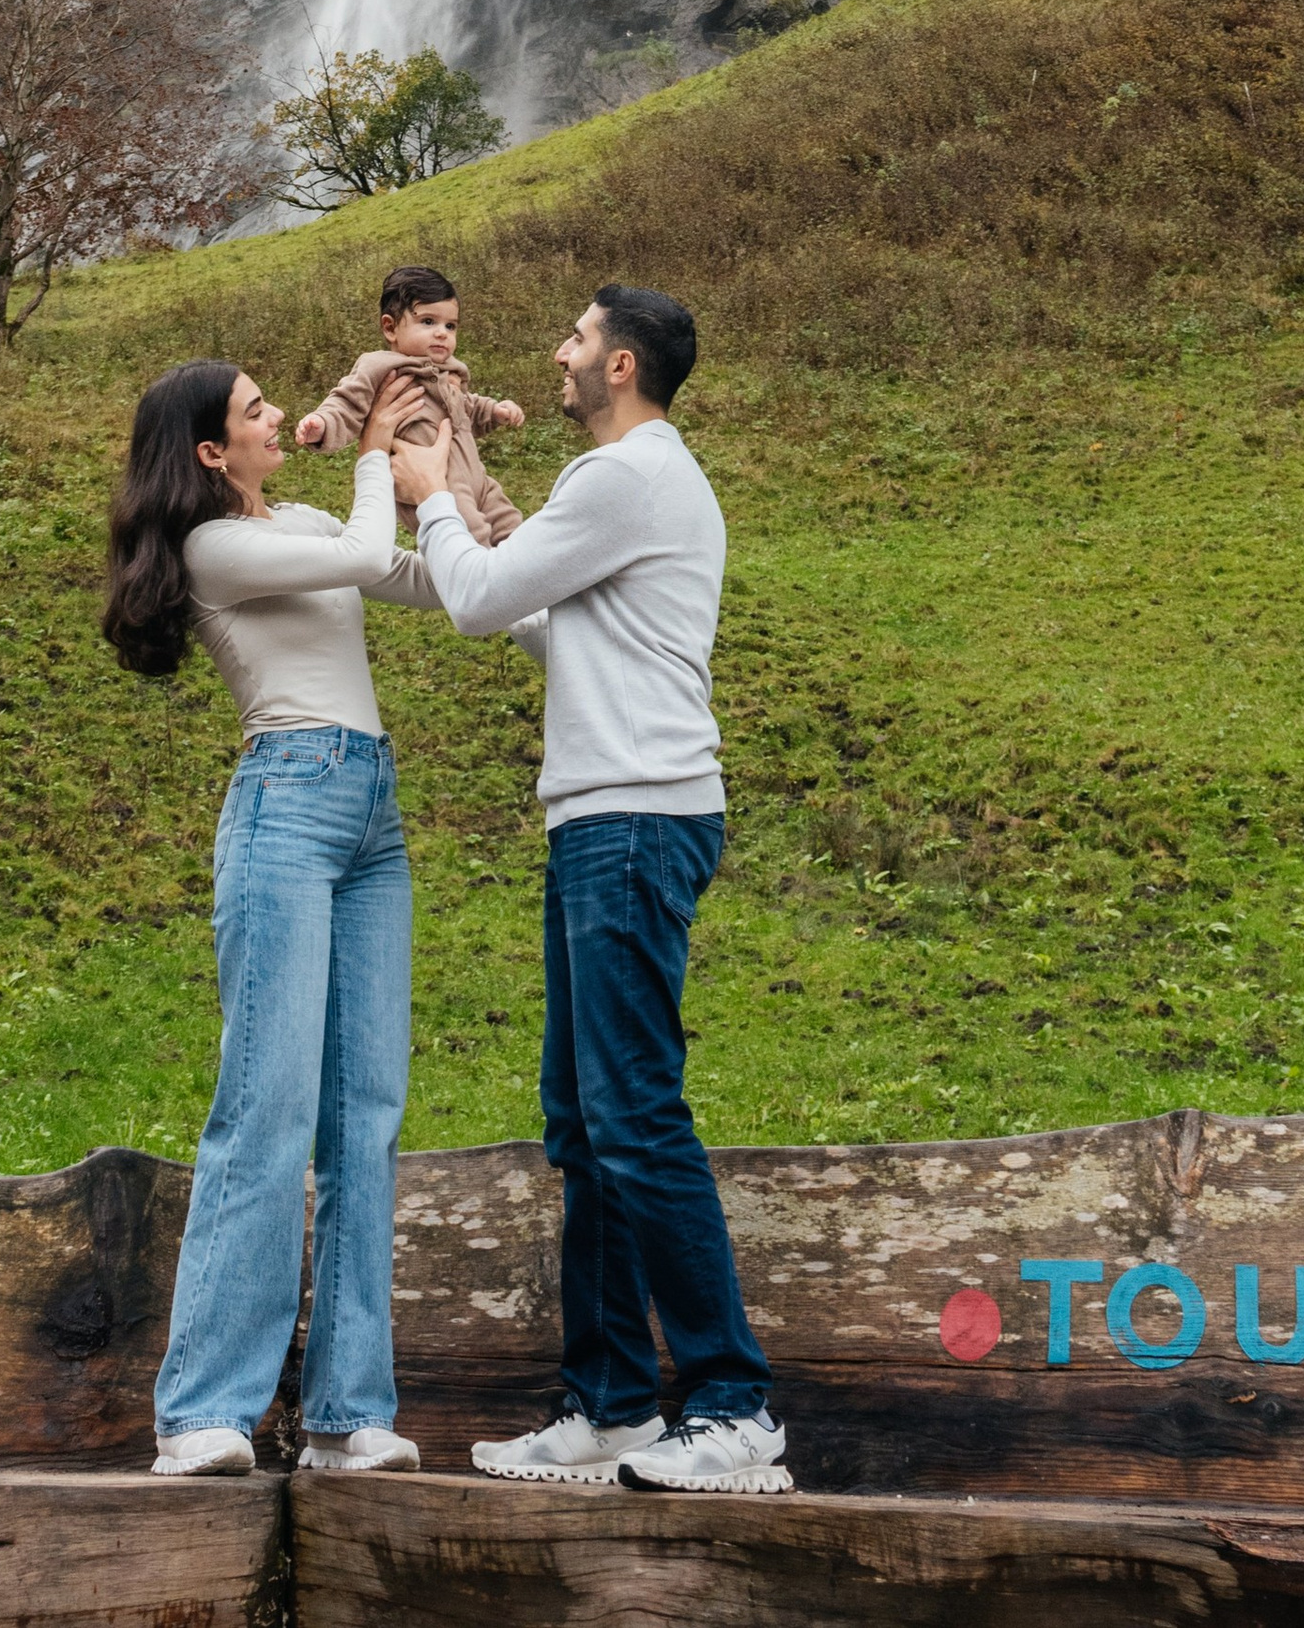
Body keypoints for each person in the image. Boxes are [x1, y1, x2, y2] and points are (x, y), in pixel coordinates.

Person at [386, 281, 790, 1499]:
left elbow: (475, 593)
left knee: (634, 1113)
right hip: (605, 816)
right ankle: (611, 1404)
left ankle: (732, 1406)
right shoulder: (637, 489)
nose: (556, 354)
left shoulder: (625, 476)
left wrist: (433, 499)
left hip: (632, 815)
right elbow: (544, 622)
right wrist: (386, 549)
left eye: (574, 338)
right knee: (586, 1121)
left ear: (619, 366)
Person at [101, 358, 439, 1480]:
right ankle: (201, 1409)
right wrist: (374, 458)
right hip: (285, 807)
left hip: (370, 816)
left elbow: (406, 573)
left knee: (365, 1114)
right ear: (210, 451)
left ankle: (346, 1411)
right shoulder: (214, 545)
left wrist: (511, 550)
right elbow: (356, 547)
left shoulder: (295, 518)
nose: (271, 418)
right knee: (267, 1105)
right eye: (252, 412)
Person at [295, 261, 526, 544]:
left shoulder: (449, 372)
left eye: (450, 325)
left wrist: (494, 411)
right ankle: (476, 573)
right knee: (469, 535)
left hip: (477, 477)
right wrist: (322, 423)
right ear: (390, 328)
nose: (442, 332)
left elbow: (465, 407)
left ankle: (523, 566)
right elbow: (346, 402)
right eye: (428, 322)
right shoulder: (380, 367)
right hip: (431, 483)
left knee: (512, 527)